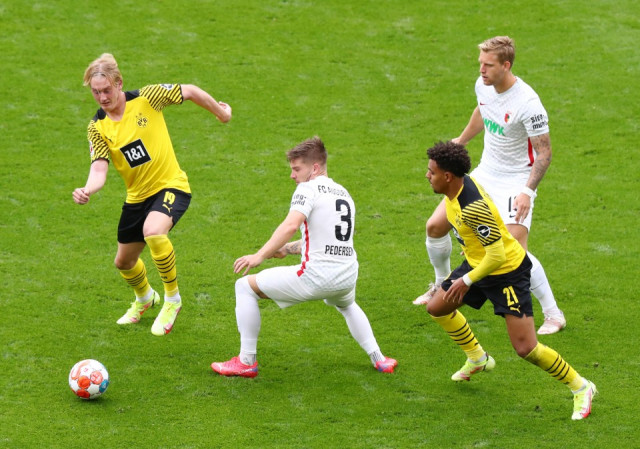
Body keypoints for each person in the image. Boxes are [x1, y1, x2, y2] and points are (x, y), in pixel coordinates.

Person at [423, 140, 596, 420]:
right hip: (478, 265)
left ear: (448, 176)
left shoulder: (473, 207)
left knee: (526, 348)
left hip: (506, 274)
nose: (427, 175)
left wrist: (466, 281)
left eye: (432, 172)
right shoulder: (456, 191)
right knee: (437, 308)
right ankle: (478, 358)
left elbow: (498, 255)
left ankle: (581, 386)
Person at [414, 36, 566, 335]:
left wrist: (527, 192)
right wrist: (461, 140)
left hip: (515, 181)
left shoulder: (529, 104)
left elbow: (545, 153)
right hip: (485, 173)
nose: (481, 70)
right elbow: (483, 110)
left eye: (488, 65)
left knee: (515, 251)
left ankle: (553, 314)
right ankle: (441, 285)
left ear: (506, 65)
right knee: (435, 227)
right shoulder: (483, 85)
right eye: (480, 63)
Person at [73, 53, 232, 336]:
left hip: (171, 186)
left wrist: (222, 113)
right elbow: (99, 169)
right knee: (124, 262)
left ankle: (172, 299)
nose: (102, 97)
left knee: (154, 231)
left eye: (106, 90)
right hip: (137, 197)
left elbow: (190, 91)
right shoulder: (97, 127)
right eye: (96, 92)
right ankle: (146, 298)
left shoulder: (148, 98)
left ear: (119, 83)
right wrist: (87, 189)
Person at [211, 137, 397, 377]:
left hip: (314, 277)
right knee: (347, 304)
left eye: (297, 169)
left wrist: (259, 256)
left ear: (315, 168)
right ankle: (380, 359)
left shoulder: (308, 189)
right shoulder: (344, 193)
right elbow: (325, 240)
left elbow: (291, 225)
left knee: (244, 287)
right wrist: (286, 249)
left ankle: (246, 361)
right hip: (347, 276)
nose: (292, 175)